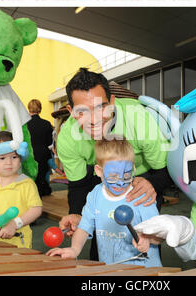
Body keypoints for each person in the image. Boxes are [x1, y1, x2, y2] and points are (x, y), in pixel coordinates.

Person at [56, 68, 173, 260]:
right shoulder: (67, 138)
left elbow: (166, 169)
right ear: (71, 111)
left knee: (146, 238)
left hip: (145, 176)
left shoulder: (138, 118)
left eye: (101, 107)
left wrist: (153, 184)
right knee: (100, 237)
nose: (93, 120)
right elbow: (79, 185)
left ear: (112, 102)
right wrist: (76, 213)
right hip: (102, 178)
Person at [47, 138, 162, 267]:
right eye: (113, 176)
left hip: (144, 269)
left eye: (127, 175)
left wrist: (149, 238)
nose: (120, 182)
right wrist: (74, 249)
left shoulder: (141, 196)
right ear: (99, 171)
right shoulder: (95, 195)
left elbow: (161, 234)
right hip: (111, 268)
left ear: (133, 169)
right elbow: (84, 227)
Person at [0, 131, 43, 248]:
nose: (9, 162)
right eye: (2, 158)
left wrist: (15, 224)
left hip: (19, 243)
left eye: (14, 157)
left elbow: (36, 209)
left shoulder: (26, 183)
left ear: (20, 159)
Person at [27, 99, 54, 197]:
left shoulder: (25, 124)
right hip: (43, 154)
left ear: (29, 109)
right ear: (40, 109)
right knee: (41, 177)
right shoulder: (46, 124)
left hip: (29, 154)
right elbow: (49, 142)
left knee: (30, 178)